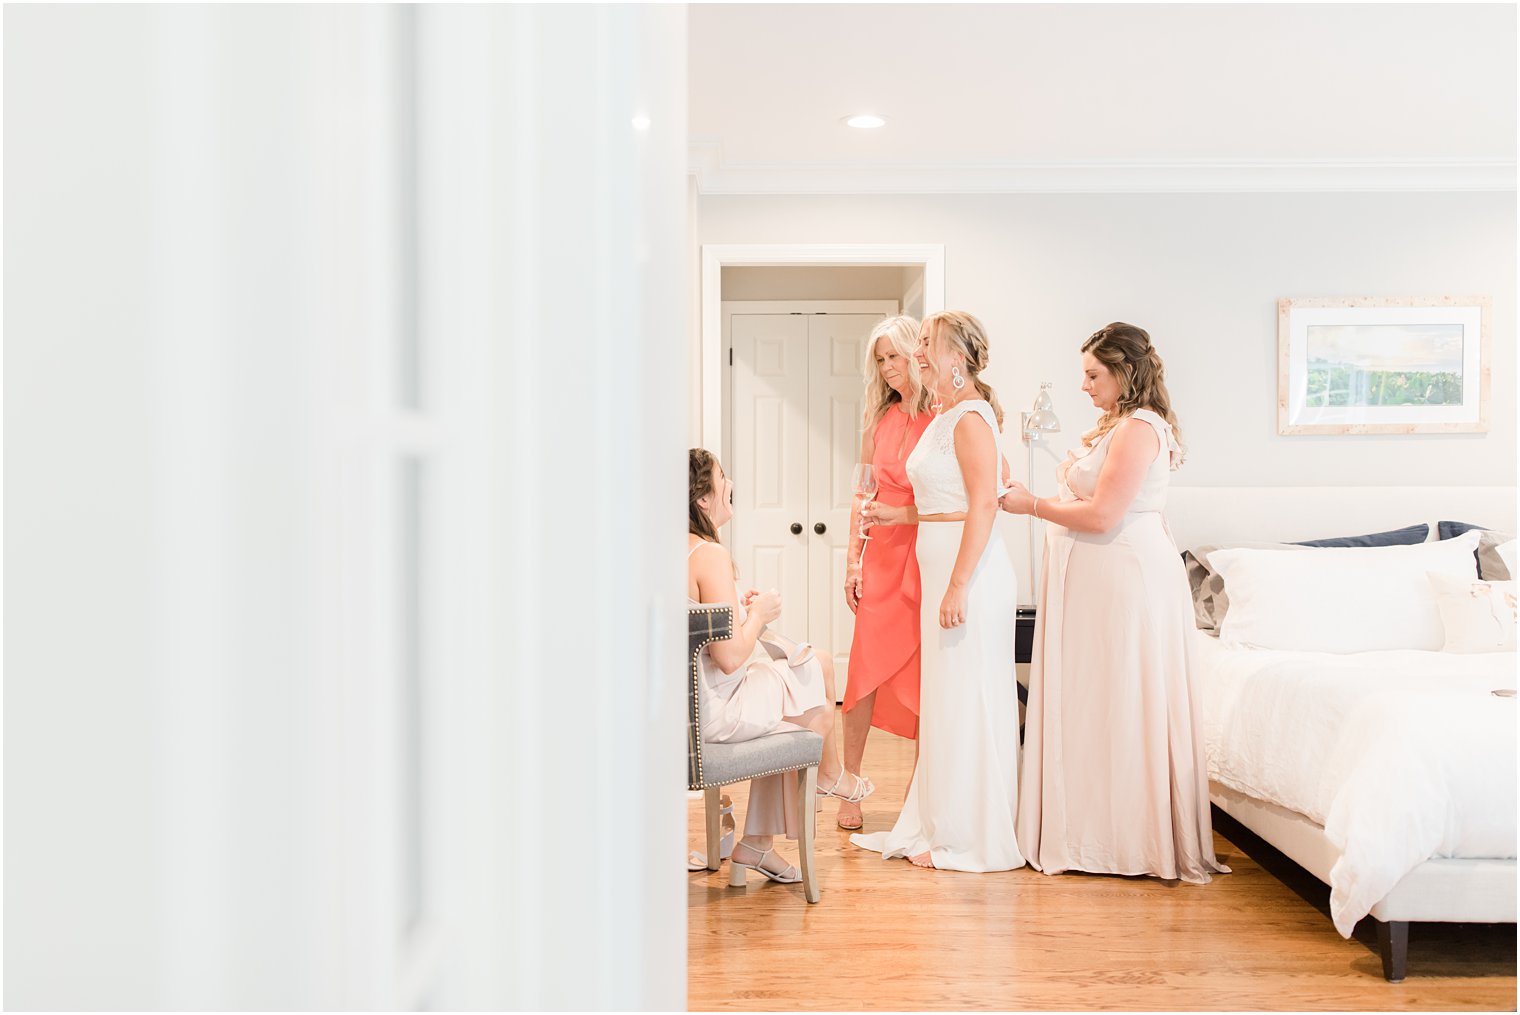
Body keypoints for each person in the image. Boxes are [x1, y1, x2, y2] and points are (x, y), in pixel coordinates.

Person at [1000, 322, 1228, 884]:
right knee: (1097, 699)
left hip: (1125, 579)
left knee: (1120, 697)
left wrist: (1032, 506)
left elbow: (1104, 515)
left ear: (1125, 372)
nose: (1084, 385)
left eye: (1093, 374)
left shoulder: (1139, 429)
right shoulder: (1119, 428)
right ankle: (1087, 830)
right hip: (1102, 580)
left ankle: (1124, 841)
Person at [850, 311, 1024, 872]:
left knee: (968, 695)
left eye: (926, 344)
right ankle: (940, 820)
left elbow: (984, 504)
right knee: (947, 699)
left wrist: (956, 585)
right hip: (939, 560)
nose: (918, 352)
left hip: (964, 571)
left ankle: (967, 830)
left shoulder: (970, 417)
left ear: (958, 356)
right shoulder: (949, 414)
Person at [687, 448, 873, 883]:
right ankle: (827, 777)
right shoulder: (709, 554)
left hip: (692, 707)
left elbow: (707, 631)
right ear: (703, 499)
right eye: (723, 477)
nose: (730, 484)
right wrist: (759, 614)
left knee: (809, 689)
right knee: (816, 685)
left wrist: (737, 608)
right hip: (716, 712)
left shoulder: (677, 550)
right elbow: (730, 658)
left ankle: (759, 843)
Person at [838, 315, 932, 831]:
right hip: (880, 553)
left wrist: (907, 516)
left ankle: (919, 797)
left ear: (917, 355)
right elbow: (861, 495)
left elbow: (960, 499)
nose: (889, 368)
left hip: (924, 554)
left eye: (895, 355)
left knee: (923, 676)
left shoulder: (943, 418)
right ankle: (850, 784)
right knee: (863, 674)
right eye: (880, 359)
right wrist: (852, 560)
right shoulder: (878, 422)